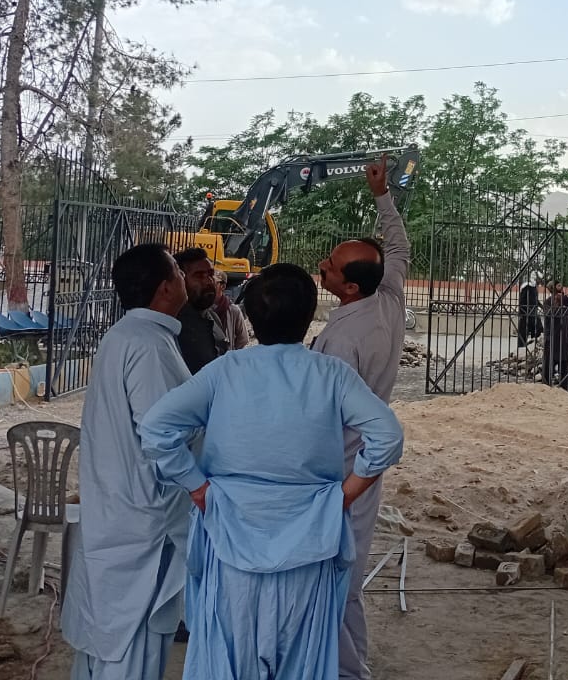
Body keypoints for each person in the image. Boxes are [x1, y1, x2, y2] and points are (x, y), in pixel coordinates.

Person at [140, 264, 404, 680]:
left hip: (230, 540)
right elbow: (387, 436)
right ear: (309, 315)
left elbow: (157, 428)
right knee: (301, 662)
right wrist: (345, 494)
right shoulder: (330, 374)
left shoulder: (226, 370)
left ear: (251, 316)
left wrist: (196, 487)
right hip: (310, 543)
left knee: (228, 660)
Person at [61, 243, 191, 680]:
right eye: (178, 270)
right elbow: (163, 435)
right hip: (142, 517)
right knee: (130, 636)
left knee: (110, 629)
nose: (184, 276)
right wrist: (200, 486)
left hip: (119, 507)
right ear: (165, 287)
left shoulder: (129, 336)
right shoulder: (148, 344)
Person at [311, 155, 409, 680]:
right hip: (362, 467)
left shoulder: (342, 341)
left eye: (329, 265)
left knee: (333, 578)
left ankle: (346, 671)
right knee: (344, 574)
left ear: (349, 287)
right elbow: (399, 247)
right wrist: (381, 195)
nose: (321, 267)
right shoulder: (388, 299)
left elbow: (322, 416)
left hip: (341, 468)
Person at [173, 248, 228, 375]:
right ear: (180, 280)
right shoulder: (174, 324)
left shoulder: (213, 317)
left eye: (210, 274)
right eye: (199, 276)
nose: (208, 281)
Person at [212, 270, 249, 351]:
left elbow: (243, 339)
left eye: (213, 282)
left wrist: (231, 351)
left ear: (223, 286)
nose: (209, 286)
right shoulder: (202, 308)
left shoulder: (233, 310)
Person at [516, 275, 543, 350]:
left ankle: (534, 347)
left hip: (533, 313)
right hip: (525, 314)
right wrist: (521, 312)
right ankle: (521, 349)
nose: (540, 281)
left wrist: (542, 307)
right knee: (523, 333)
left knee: (538, 330)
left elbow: (535, 300)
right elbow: (522, 301)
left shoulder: (534, 288)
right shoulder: (527, 287)